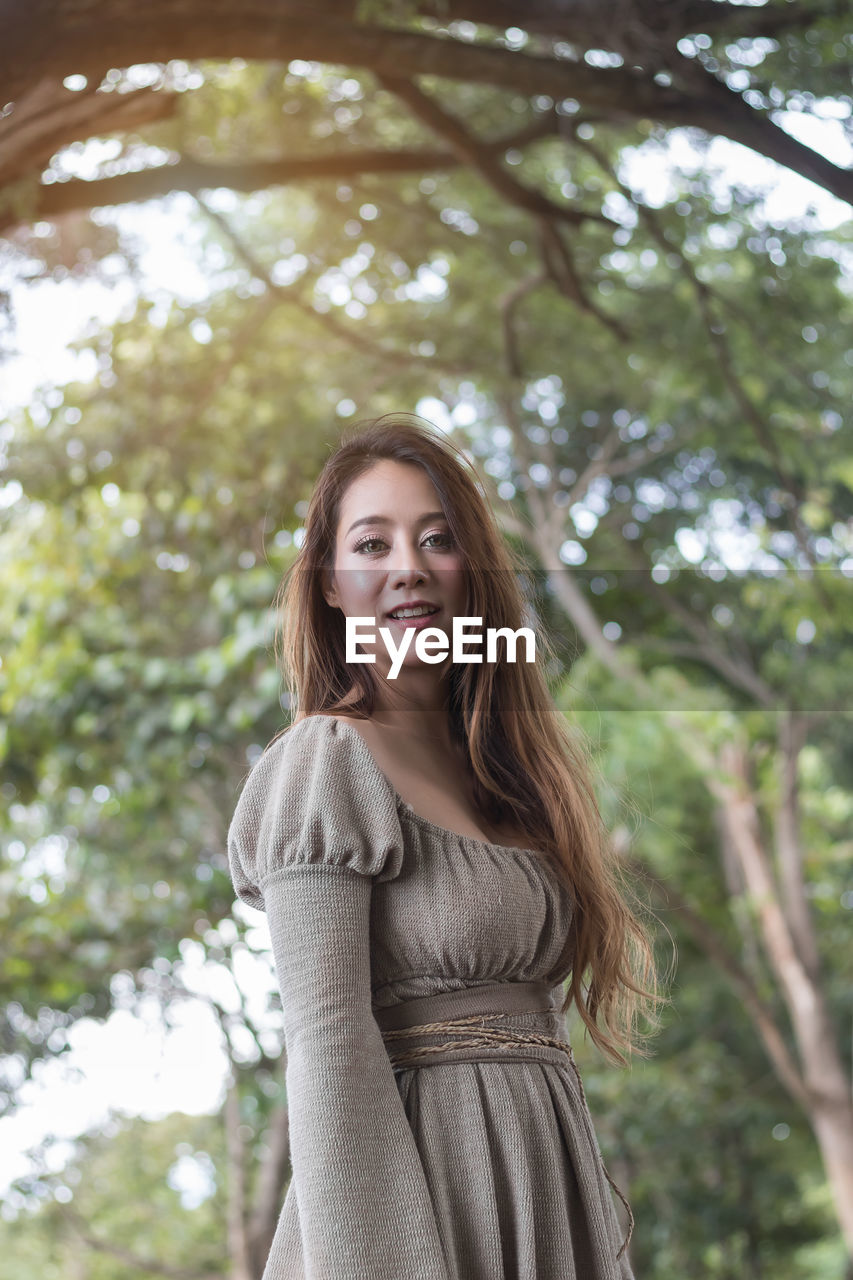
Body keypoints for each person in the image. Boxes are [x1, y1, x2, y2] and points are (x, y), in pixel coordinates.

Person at [227, 413, 660, 1280]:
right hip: (412, 1208)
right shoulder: (325, 763)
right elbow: (327, 1039)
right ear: (329, 585)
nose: (408, 568)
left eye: (436, 538)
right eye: (372, 543)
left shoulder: (512, 777)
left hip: (543, 1183)